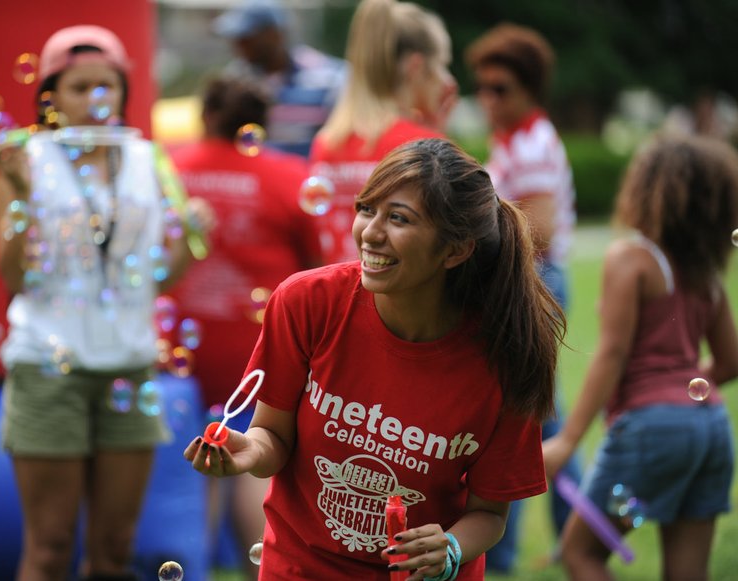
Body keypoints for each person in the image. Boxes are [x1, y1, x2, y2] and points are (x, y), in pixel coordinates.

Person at [183, 137, 566, 580]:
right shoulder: (307, 302)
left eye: (398, 218)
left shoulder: (504, 356)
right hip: (300, 569)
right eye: (367, 209)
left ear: (455, 250)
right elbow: (273, 437)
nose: (370, 232)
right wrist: (248, 451)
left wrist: (452, 547)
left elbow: (491, 514)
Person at [0, 25, 209, 581]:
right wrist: (23, 195)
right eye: (79, 87)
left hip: (129, 367)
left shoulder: (149, 159)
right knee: (51, 546)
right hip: (46, 364)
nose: (95, 100)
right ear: (51, 97)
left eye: (105, 86)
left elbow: (157, 280)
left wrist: (189, 238)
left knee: (114, 550)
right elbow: (13, 274)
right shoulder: (24, 158)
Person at [543, 133, 738, 580]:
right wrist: (682, 391)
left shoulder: (631, 258)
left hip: (650, 433)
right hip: (712, 431)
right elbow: (730, 362)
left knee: (581, 553)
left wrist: (568, 440)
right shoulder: (705, 272)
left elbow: (612, 352)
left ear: (646, 188)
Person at [170, 75, 323, 579]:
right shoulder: (289, 177)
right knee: (250, 456)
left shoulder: (170, 170)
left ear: (205, 116)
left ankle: (194, 567)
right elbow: (317, 269)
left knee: (195, 466)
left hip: (177, 345)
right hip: (260, 350)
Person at [464, 22, 581, 572]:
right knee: (522, 421)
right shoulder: (516, 136)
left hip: (532, 283)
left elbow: (537, 235)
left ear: (530, 88)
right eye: (482, 87)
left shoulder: (531, 144)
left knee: (535, 424)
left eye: (501, 88)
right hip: (527, 281)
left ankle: (569, 539)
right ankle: (537, 546)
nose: (488, 99)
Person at [310, 0, 458, 265]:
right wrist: (440, 144)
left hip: (341, 294)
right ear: (416, 67)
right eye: (441, 64)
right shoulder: (425, 149)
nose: (447, 80)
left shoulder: (327, 141)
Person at [212, 0, 346, 158]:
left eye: (246, 37)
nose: (239, 45)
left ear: (274, 34)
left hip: (307, 176)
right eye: (236, 38)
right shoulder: (235, 79)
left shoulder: (328, 77)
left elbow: (340, 139)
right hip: (255, 178)